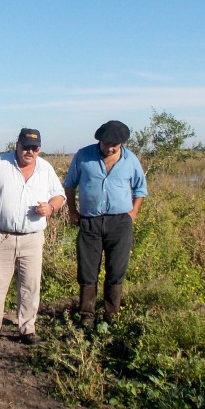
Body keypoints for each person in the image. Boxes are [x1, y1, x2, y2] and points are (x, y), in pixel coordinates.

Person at [0, 128, 66, 345]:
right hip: (1, 236)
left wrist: (51, 208)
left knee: (30, 284)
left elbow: (59, 195)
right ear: (16, 145)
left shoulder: (45, 168)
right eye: (25, 146)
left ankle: (27, 329)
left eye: (34, 148)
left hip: (32, 238)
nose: (29, 151)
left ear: (39, 149)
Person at [63, 120, 147, 324]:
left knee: (116, 269)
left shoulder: (131, 160)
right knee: (87, 270)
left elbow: (140, 189)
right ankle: (87, 316)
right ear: (99, 140)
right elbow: (69, 184)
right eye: (106, 144)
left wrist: (133, 213)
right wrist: (73, 212)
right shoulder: (84, 156)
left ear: (121, 144)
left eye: (114, 146)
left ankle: (111, 316)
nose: (109, 148)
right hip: (89, 221)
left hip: (120, 223)